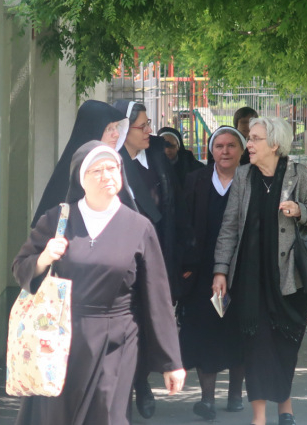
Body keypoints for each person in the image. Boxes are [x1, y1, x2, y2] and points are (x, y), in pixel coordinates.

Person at [12, 141, 185, 425]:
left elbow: (158, 298)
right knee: (56, 417)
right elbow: (21, 267)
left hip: (117, 340)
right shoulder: (57, 220)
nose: (107, 175)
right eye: (97, 170)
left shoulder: (139, 227)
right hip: (59, 338)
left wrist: (171, 362)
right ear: (81, 178)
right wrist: (43, 258)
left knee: (108, 414)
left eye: (112, 168)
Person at [212, 118, 307, 425]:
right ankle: (259, 418)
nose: (248, 144)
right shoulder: (243, 176)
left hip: (289, 280)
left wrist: (300, 210)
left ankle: (285, 408)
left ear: (275, 144)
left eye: (255, 139)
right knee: (256, 347)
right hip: (249, 279)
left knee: (284, 346)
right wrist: (220, 270)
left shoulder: (301, 174)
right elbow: (229, 227)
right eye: (249, 138)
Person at [111, 99, 184, 419]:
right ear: (124, 130)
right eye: (142, 126)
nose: (149, 131)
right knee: (130, 322)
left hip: (157, 252)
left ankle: (141, 380)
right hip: (122, 259)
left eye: (149, 124)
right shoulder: (110, 162)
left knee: (149, 322)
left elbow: (173, 203)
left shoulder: (156, 155)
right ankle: (135, 384)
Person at [178, 126, 247, 420]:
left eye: (231, 145)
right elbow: (182, 225)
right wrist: (183, 265)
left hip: (242, 268)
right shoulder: (196, 180)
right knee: (204, 330)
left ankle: (235, 395)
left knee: (238, 330)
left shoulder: (251, 180)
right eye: (219, 146)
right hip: (202, 269)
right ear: (211, 150)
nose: (225, 151)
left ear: (242, 150)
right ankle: (207, 399)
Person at [31, 99, 129, 228]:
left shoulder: (119, 164)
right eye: (109, 129)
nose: (116, 134)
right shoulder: (70, 172)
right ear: (93, 130)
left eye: (116, 127)